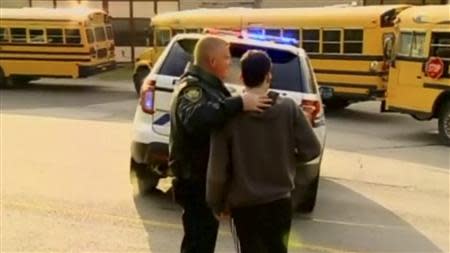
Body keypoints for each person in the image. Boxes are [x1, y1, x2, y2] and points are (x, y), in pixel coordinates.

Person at [140, 36, 272, 253]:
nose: (231, 62)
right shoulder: (192, 88)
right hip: (194, 181)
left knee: (203, 240)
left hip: (204, 180)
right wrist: (239, 103)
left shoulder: (211, 87)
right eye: (227, 58)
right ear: (212, 61)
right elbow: (196, 118)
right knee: (198, 243)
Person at [206, 50, 322, 253]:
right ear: (269, 75)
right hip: (279, 201)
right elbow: (312, 149)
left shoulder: (230, 114)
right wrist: (287, 159)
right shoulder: (288, 109)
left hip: (244, 204)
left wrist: (216, 201)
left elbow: (217, 168)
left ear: (242, 77)